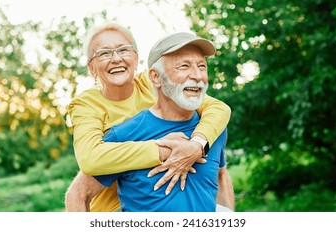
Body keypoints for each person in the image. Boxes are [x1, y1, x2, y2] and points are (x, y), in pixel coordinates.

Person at [65, 22, 232, 212]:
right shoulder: (87, 105)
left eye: (124, 50)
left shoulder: (154, 82)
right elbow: (90, 160)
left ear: (136, 59)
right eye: (104, 53)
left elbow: (218, 108)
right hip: (114, 210)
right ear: (91, 67)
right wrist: (161, 150)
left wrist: (197, 144)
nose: (116, 58)